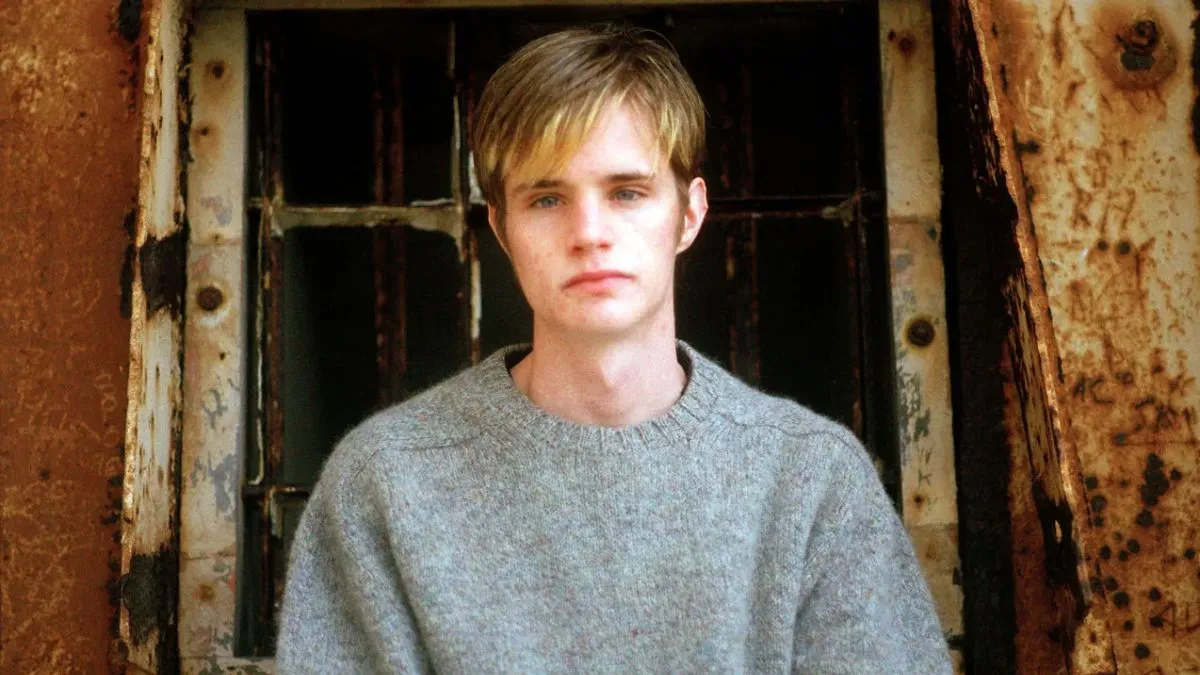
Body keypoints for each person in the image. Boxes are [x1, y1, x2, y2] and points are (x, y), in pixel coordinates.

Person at [276, 24, 951, 674]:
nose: (589, 232)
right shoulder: (385, 482)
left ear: (689, 214)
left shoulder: (812, 479)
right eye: (547, 199)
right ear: (502, 229)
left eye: (627, 192)